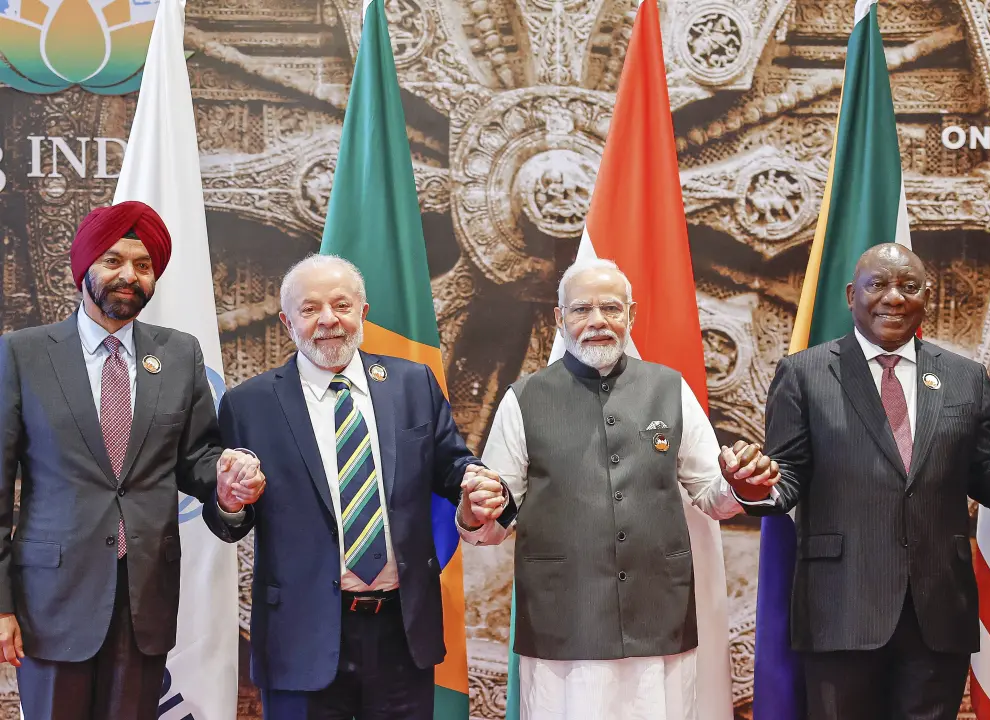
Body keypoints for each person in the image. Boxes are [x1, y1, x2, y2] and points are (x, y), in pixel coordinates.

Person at [457, 258, 778, 720]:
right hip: (563, 625)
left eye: (610, 308)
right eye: (581, 309)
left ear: (632, 315)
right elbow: (493, 518)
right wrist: (474, 514)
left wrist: (740, 486)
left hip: (658, 617)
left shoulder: (669, 388)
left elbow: (712, 494)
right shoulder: (523, 399)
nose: (597, 321)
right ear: (559, 318)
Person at [747, 243, 990, 720]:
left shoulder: (965, 378)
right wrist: (752, 484)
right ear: (851, 295)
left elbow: (988, 478)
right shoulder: (805, 374)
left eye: (908, 286)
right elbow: (785, 478)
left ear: (926, 297)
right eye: (878, 284)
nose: (894, 297)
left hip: (937, 612)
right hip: (841, 608)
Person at [205, 254, 507, 720]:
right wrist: (229, 500)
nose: (328, 319)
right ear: (287, 322)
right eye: (310, 309)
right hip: (300, 637)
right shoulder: (249, 404)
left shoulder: (413, 383)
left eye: (341, 305)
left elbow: (452, 466)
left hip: (402, 633)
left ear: (362, 313)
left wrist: (475, 486)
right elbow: (228, 522)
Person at [0, 201, 264, 720]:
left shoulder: (180, 354)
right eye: (113, 260)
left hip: (145, 599)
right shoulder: (23, 354)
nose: (129, 275)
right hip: (51, 602)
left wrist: (228, 488)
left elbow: (197, 458)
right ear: (84, 268)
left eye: (144, 265)